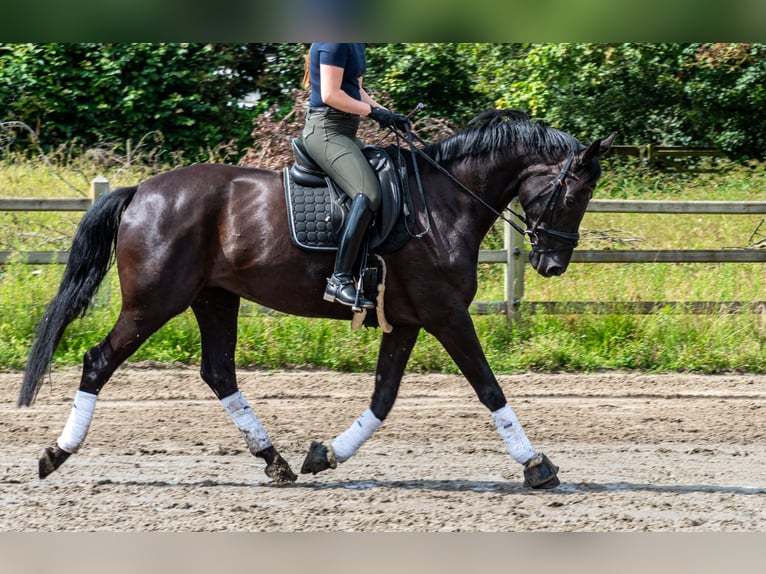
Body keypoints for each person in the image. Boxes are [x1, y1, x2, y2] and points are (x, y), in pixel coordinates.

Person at [302, 43, 408, 310]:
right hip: (325, 130)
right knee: (367, 192)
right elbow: (330, 94)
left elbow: (356, 90)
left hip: (346, 132)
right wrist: (373, 112)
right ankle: (338, 279)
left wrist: (388, 114)